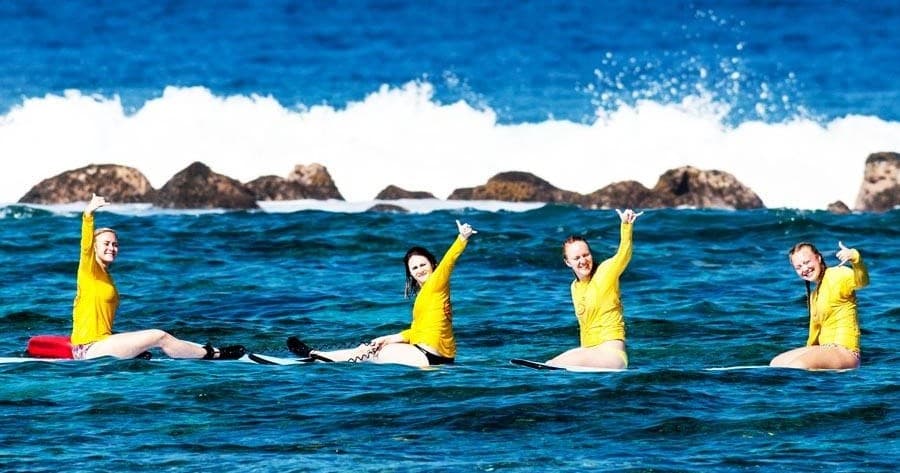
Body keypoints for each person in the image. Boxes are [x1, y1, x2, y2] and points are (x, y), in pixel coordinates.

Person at [69, 193, 245, 360]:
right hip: (89, 348)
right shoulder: (88, 270)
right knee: (158, 336)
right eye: (106, 244)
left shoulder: (106, 276)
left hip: (102, 342)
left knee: (156, 338)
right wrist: (88, 214)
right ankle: (212, 355)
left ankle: (195, 351)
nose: (112, 248)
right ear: (94, 248)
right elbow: (85, 246)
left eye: (115, 244)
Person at [287, 220, 477, 367]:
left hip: (429, 358)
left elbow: (448, 263)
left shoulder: (436, 282)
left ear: (432, 265)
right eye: (414, 267)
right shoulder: (427, 294)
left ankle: (318, 357)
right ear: (410, 273)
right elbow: (421, 331)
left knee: (374, 353)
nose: (419, 270)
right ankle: (319, 355)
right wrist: (389, 337)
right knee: (375, 346)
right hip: (439, 359)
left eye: (422, 264)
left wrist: (462, 239)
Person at [544, 208, 642, 369]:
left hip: (612, 355)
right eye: (576, 258)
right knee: (565, 359)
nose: (583, 260)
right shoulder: (574, 287)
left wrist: (626, 226)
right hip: (590, 357)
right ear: (568, 262)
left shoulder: (606, 272)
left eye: (586, 255)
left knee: (556, 362)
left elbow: (624, 254)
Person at [769, 241, 868, 370]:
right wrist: (808, 353)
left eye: (807, 262)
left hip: (846, 352)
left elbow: (862, 282)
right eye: (798, 267)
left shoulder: (837, 274)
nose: (804, 269)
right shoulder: (814, 295)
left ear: (818, 258)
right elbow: (814, 334)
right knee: (776, 363)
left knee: (797, 365)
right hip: (825, 350)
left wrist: (855, 257)